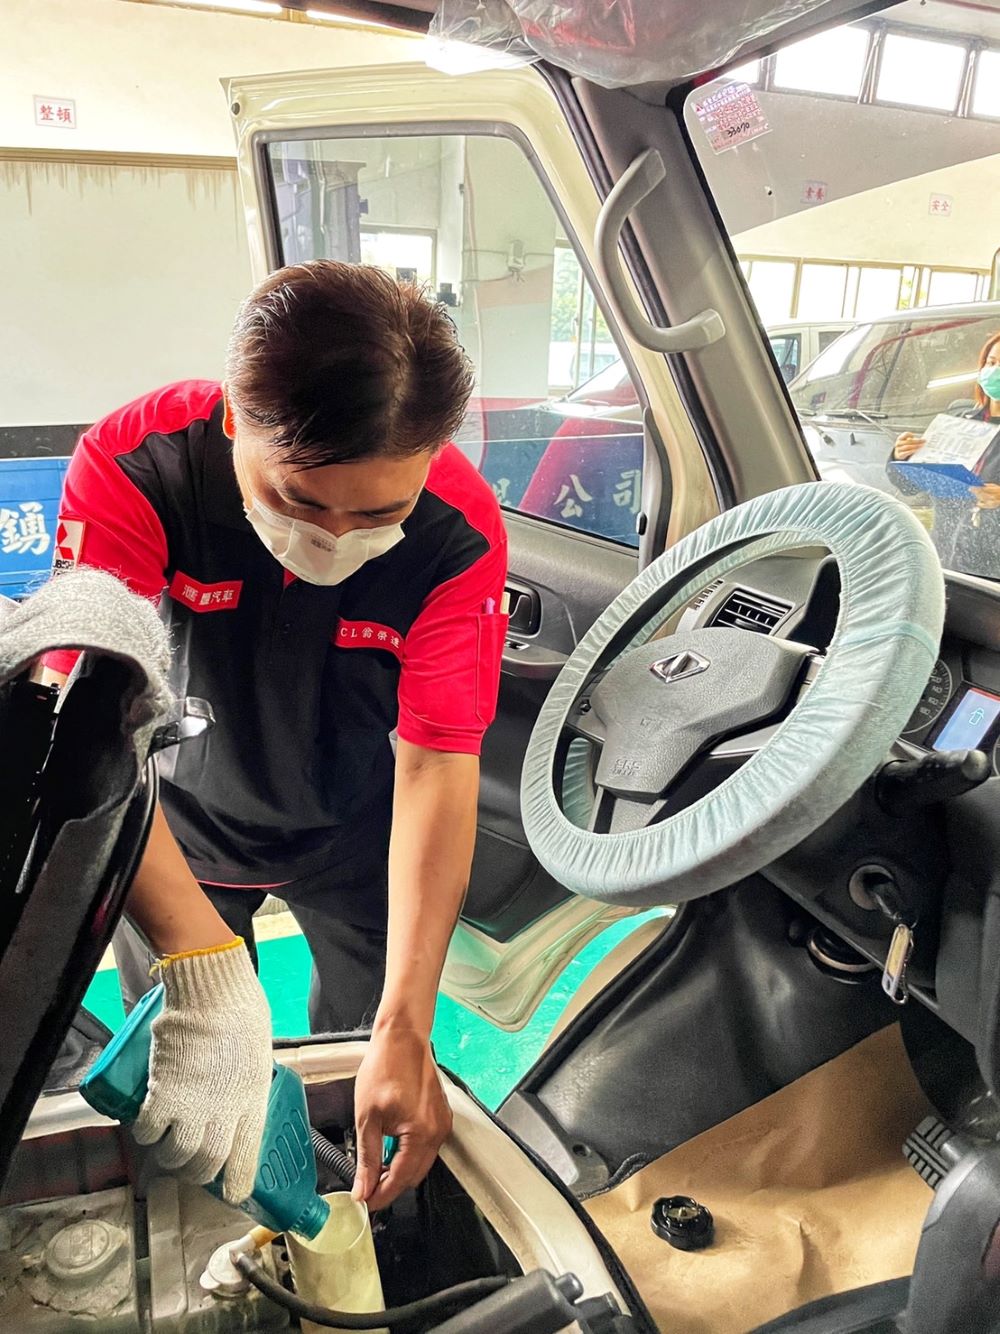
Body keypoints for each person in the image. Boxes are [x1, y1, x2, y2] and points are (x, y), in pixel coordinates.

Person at [45, 261, 508, 1210]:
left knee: (365, 1062)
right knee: (195, 1089)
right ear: (232, 420)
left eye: (379, 514)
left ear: (430, 458)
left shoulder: (459, 535)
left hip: (354, 833)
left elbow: (436, 761)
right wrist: (199, 962)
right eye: (298, 500)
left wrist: (407, 1025)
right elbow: (97, 728)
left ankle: (349, 1215)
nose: (334, 537)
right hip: (173, 824)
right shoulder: (139, 466)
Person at [890, 331, 1000, 576]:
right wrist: (902, 457)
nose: (995, 371)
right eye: (991, 363)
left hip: (992, 572)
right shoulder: (958, 421)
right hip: (945, 559)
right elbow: (909, 486)